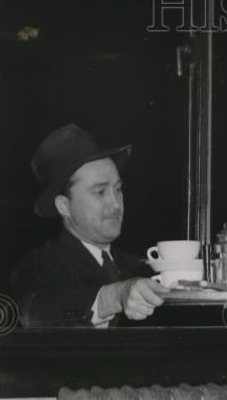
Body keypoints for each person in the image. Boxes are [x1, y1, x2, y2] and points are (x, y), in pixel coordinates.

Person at [11, 123, 169, 327]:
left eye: (118, 189)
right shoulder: (38, 265)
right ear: (64, 206)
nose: (116, 203)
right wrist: (114, 296)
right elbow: (35, 311)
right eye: (100, 192)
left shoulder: (139, 268)